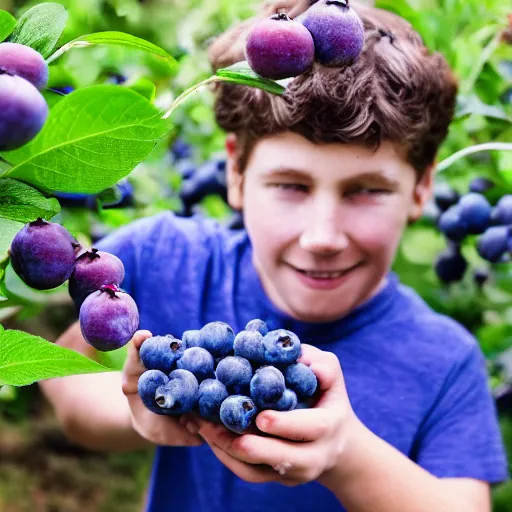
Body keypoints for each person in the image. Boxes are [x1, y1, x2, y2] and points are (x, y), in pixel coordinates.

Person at [39, 1, 509, 511]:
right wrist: (144, 410)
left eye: (366, 191)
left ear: (422, 188)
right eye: (290, 185)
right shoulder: (165, 257)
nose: (321, 237)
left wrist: (345, 456)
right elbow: (66, 388)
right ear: (236, 172)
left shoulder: (446, 361)